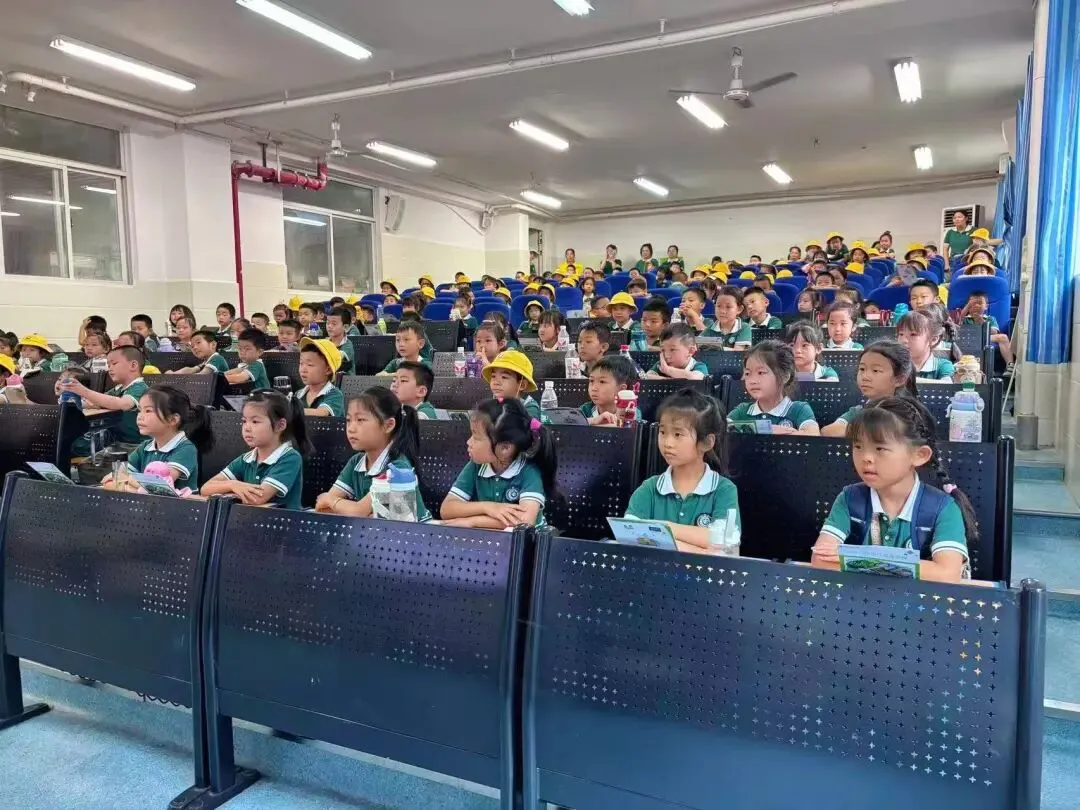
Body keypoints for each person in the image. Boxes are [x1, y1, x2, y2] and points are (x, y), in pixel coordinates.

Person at [811, 396, 975, 583]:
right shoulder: (848, 499)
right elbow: (820, 560)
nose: (866, 458)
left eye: (880, 449)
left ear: (920, 455)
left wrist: (859, 558)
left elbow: (947, 574)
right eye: (858, 446)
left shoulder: (943, 508)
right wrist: (906, 566)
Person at [625, 389, 740, 553]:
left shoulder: (724, 490)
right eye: (663, 432)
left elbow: (727, 546)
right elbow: (629, 535)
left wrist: (664, 528)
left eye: (678, 434)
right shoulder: (649, 488)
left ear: (707, 442)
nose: (667, 443)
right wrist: (700, 549)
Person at [313, 386, 432, 519]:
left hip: (416, 531)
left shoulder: (397, 468)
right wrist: (340, 505)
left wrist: (333, 501)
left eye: (360, 420)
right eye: (348, 420)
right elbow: (324, 508)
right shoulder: (356, 461)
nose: (351, 428)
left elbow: (356, 510)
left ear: (388, 425)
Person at [440, 397, 557, 529]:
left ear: (505, 448)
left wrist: (473, 521)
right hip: (490, 538)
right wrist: (488, 507)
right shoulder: (475, 466)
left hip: (528, 540)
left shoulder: (529, 471)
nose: (468, 442)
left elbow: (525, 522)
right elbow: (447, 509)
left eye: (476, 437)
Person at [201, 390, 309, 508]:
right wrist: (233, 485)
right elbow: (205, 488)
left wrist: (228, 490)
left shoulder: (290, 458)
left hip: (282, 519)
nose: (246, 428)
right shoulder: (246, 459)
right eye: (244, 421)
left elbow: (257, 498)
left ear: (280, 425)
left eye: (255, 421)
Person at [111, 385, 213, 489]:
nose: (140, 417)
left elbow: (157, 484)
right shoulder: (145, 447)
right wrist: (123, 479)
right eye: (139, 410)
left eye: (148, 411)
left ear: (173, 420)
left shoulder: (186, 449)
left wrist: (126, 480)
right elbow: (115, 477)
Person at [61, 346, 151, 455]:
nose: (110, 368)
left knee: (72, 445)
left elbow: (123, 404)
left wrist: (84, 391)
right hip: (114, 439)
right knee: (69, 441)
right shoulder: (118, 389)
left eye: (114, 363)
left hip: (133, 445)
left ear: (133, 365)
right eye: (108, 365)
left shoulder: (139, 387)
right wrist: (71, 402)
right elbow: (96, 403)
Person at [820, 340, 917, 436]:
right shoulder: (858, 411)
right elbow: (827, 432)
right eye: (862, 369)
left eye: (875, 370)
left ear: (900, 379)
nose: (865, 377)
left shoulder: (908, 414)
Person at [727, 341, 820, 435]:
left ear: (785, 377)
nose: (752, 381)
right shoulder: (742, 410)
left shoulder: (799, 409)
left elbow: (813, 434)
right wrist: (765, 429)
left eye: (761, 373)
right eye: (747, 374)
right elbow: (720, 430)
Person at [896, 309, 956, 382]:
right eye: (901, 334)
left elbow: (946, 384)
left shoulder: (942, 366)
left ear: (933, 339)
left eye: (913, 334)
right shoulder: (893, 364)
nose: (904, 340)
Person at [580, 355, 640, 426]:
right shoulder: (586, 409)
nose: (593, 388)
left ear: (621, 389)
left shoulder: (631, 410)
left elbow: (628, 429)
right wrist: (592, 420)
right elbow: (571, 422)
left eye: (602, 382)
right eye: (591, 381)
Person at [483, 350, 542, 420]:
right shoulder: (491, 406)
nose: (496, 382)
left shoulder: (529, 407)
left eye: (504, 377)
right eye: (493, 376)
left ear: (522, 385)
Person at [296, 338, 345, 416]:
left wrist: (292, 411)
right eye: (301, 363)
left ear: (328, 370)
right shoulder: (298, 395)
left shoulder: (335, 395)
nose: (303, 369)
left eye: (310, 365)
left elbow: (322, 413)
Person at [963, 290, 1013, 365]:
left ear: (986, 306)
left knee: (1003, 337)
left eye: (980, 303)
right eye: (973, 304)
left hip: (986, 337)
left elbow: (994, 332)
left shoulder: (990, 319)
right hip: (969, 338)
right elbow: (958, 327)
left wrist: (983, 323)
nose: (976, 306)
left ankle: (1010, 364)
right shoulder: (964, 319)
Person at [324, 305, 357, 373]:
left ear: (345, 327)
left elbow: (336, 358)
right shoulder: (326, 342)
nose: (329, 326)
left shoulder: (348, 345)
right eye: (328, 323)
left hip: (346, 379)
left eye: (334, 324)